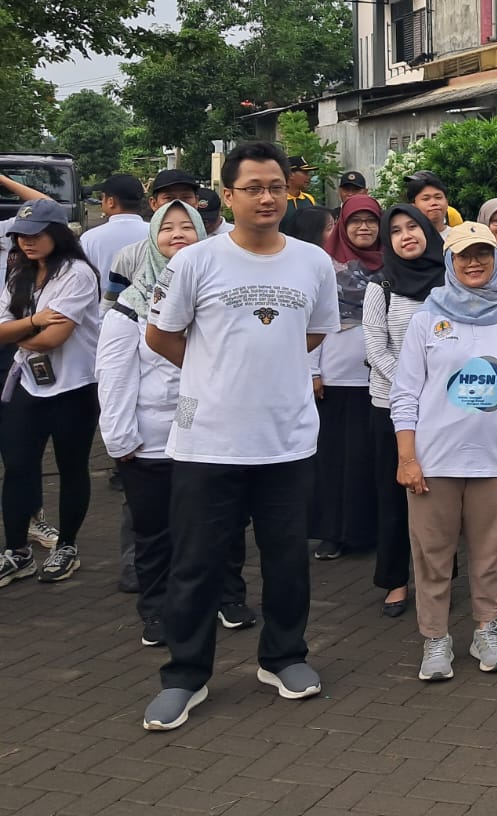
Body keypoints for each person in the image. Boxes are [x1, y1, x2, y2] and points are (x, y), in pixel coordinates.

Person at [141, 142, 338, 732]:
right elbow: (160, 335)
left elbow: (313, 332)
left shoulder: (312, 261)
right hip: (209, 442)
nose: (267, 197)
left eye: (276, 185)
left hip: (287, 439)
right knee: (196, 564)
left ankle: (283, 658)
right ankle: (185, 676)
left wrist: (266, 372)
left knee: (287, 560)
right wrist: (217, 371)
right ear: (227, 196)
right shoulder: (196, 261)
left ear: (289, 191)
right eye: (252, 187)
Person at [97, 202, 256, 646]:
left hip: (213, 433)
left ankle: (227, 597)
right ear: (152, 238)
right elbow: (114, 378)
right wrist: (121, 439)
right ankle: (157, 609)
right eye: (166, 227)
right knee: (155, 531)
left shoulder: (218, 297)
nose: (178, 233)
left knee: (221, 522)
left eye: (188, 226)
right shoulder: (128, 309)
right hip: (151, 439)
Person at [389, 222, 497, 682]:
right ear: (449, 264)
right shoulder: (427, 319)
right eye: (463, 256)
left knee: (489, 553)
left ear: (496, 260)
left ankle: (486, 629)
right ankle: (435, 639)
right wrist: (407, 458)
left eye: (483, 255)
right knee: (432, 554)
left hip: (495, 460)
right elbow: (405, 393)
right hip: (434, 460)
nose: (474, 263)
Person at [0, 198, 103, 586]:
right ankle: (17, 552)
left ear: (57, 233)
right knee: (18, 466)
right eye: (21, 235)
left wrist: (22, 330)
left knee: (72, 466)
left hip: (75, 387)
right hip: (28, 382)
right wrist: (34, 321)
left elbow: (53, 339)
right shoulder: (19, 274)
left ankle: (68, 546)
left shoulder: (77, 274)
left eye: (36, 234)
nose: (27, 242)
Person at [363, 203, 446, 619]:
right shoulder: (381, 286)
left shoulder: (450, 283)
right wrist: (415, 391)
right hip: (392, 409)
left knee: (441, 499)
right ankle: (395, 580)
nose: (406, 236)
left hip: (447, 410)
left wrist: (437, 394)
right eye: (395, 231)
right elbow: (376, 349)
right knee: (394, 496)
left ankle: (439, 576)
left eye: (412, 226)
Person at [308, 198, 382, 561]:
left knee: (370, 460)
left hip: (380, 383)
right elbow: (312, 320)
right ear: (342, 226)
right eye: (356, 222)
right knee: (334, 461)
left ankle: (368, 530)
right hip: (335, 378)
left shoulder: (393, 266)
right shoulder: (325, 266)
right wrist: (313, 369)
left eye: (371, 221)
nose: (364, 228)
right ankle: (333, 532)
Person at [105, 170, 202, 307]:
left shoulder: (214, 255)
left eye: (186, 198)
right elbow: (110, 309)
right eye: (168, 198)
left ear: (196, 202)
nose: (177, 204)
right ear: (153, 203)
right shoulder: (130, 256)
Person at [83, 173, 148, 298]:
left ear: (111, 202)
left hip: (104, 313)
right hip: (148, 313)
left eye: (103, 198)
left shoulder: (90, 238)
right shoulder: (157, 233)